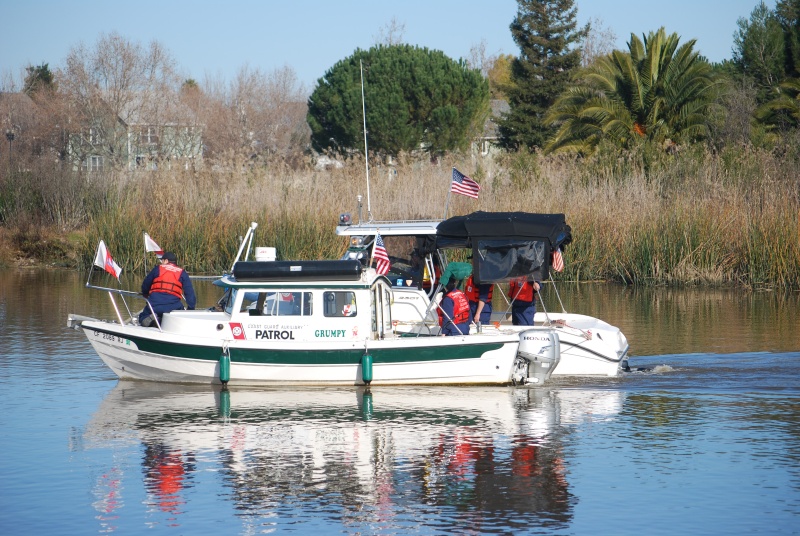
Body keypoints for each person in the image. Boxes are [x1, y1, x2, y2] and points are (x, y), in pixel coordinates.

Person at [139, 251, 196, 325]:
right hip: (174, 307)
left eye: (162, 260)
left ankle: (153, 320)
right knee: (180, 311)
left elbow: (145, 285)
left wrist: (146, 295)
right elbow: (190, 294)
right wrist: (190, 309)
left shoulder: (158, 269)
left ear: (166, 261)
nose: (161, 262)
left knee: (142, 316)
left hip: (155, 305)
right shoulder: (182, 273)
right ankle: (166, 321)